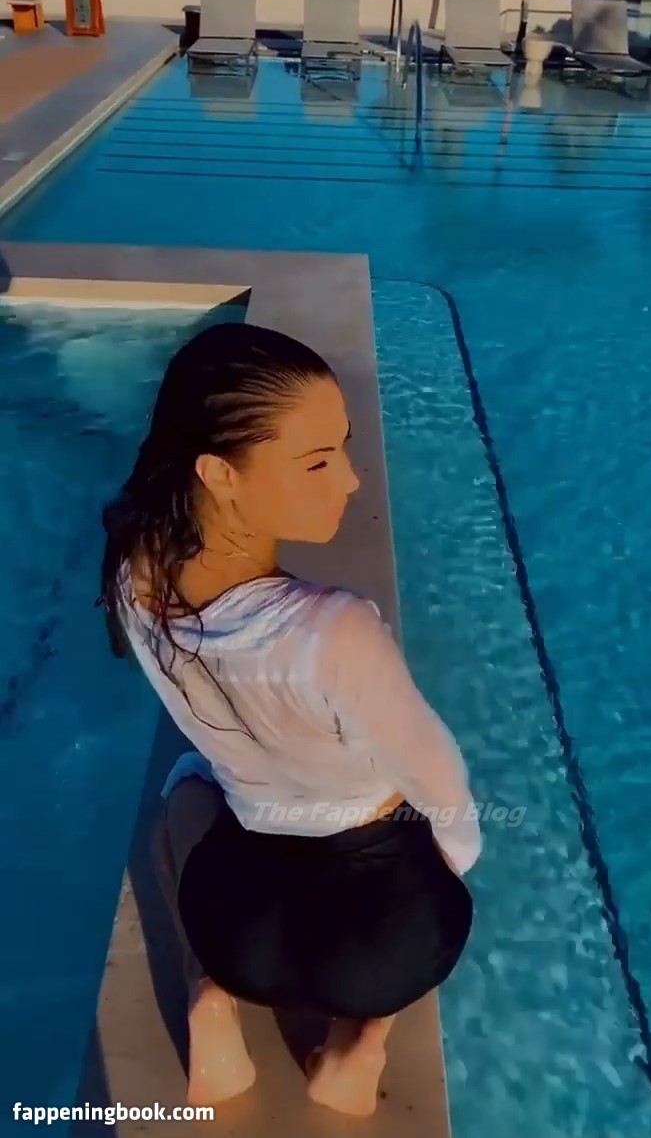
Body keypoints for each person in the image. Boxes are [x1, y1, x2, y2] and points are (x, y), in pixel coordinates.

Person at [98, 322, 481, 1118]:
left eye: (342, 450)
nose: (351, 479)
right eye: (317, 461)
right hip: (380, 949)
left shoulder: (134, 576)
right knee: (436, 870)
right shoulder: (332, 629)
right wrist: (442, 868)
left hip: (239, 931)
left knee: (184, 795)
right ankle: (354, 1049)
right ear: (218, 473)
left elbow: (203, 740)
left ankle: (212, 999)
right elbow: (439, 776)